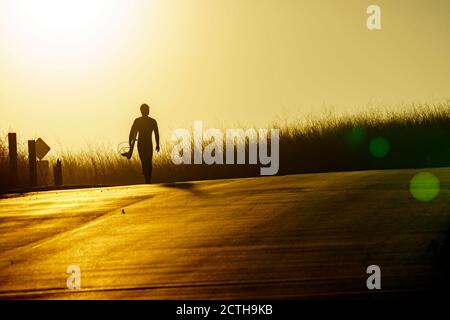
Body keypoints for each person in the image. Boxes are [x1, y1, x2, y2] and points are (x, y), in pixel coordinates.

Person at [123, 104, 160, 183]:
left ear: (141, 111)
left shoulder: (138, 121)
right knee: (148, 161)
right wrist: (157, 144)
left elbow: (131, 133)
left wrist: (130, 143)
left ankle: (147, 178)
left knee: (144, 161)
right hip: (148, 143)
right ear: (146, 110)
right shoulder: (152, 121)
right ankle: (148, 179)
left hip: (141, 144)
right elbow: (156, 133)